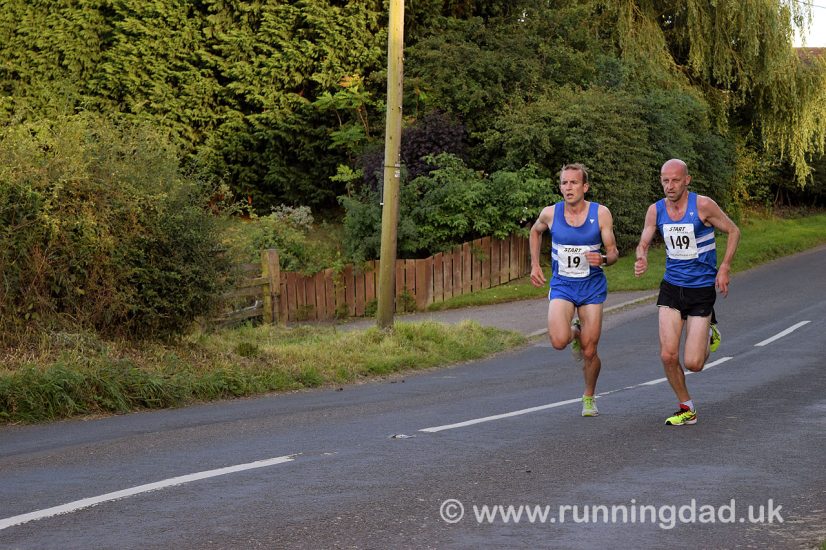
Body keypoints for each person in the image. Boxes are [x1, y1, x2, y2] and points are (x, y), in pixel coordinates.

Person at [634, 158, 740, 426]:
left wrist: (724, 267)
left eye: (675, 180)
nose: (669, 186)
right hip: (671, 287)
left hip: (701, 289)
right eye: (665, 180)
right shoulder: (656, 210)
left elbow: (733, 231)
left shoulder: (703, 205)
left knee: (694, 363)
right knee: (668, 355)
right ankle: (687, 408)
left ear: (687, 180)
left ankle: (709, 330)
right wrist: (641, 256)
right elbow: (645, 239)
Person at [530, 163, 619, 417]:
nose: (568, 187)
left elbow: (613, 252)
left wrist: (602, 259)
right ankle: (576, 332)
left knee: (590, 351)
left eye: (573, 183)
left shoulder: (601, 214)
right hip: (563, 285)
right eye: (564, 183)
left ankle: (589, 396)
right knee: (558, 341)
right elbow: (535, 233)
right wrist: (535, 265)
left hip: (591, 287)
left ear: (585, 187)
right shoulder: (550, 213)